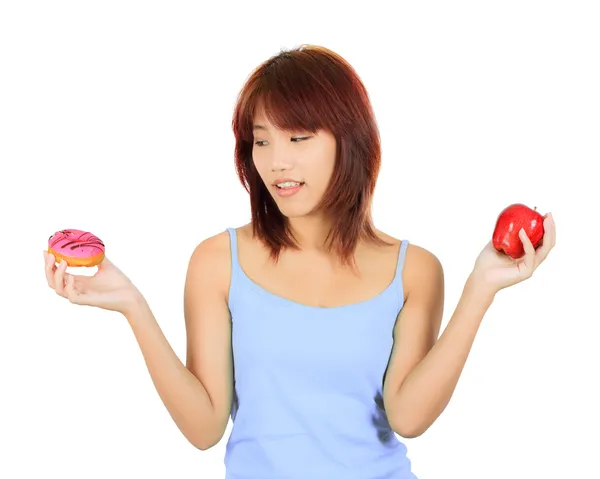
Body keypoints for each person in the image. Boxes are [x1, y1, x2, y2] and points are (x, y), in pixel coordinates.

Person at [43, 44, 556, 478]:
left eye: (298, 138)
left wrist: (480, 288)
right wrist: (132, 305)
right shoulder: (218, 261)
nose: (276, 162)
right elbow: (203, 429)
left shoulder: (416, 270)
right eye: (261, 141)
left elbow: (409, 418)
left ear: (349, 141)